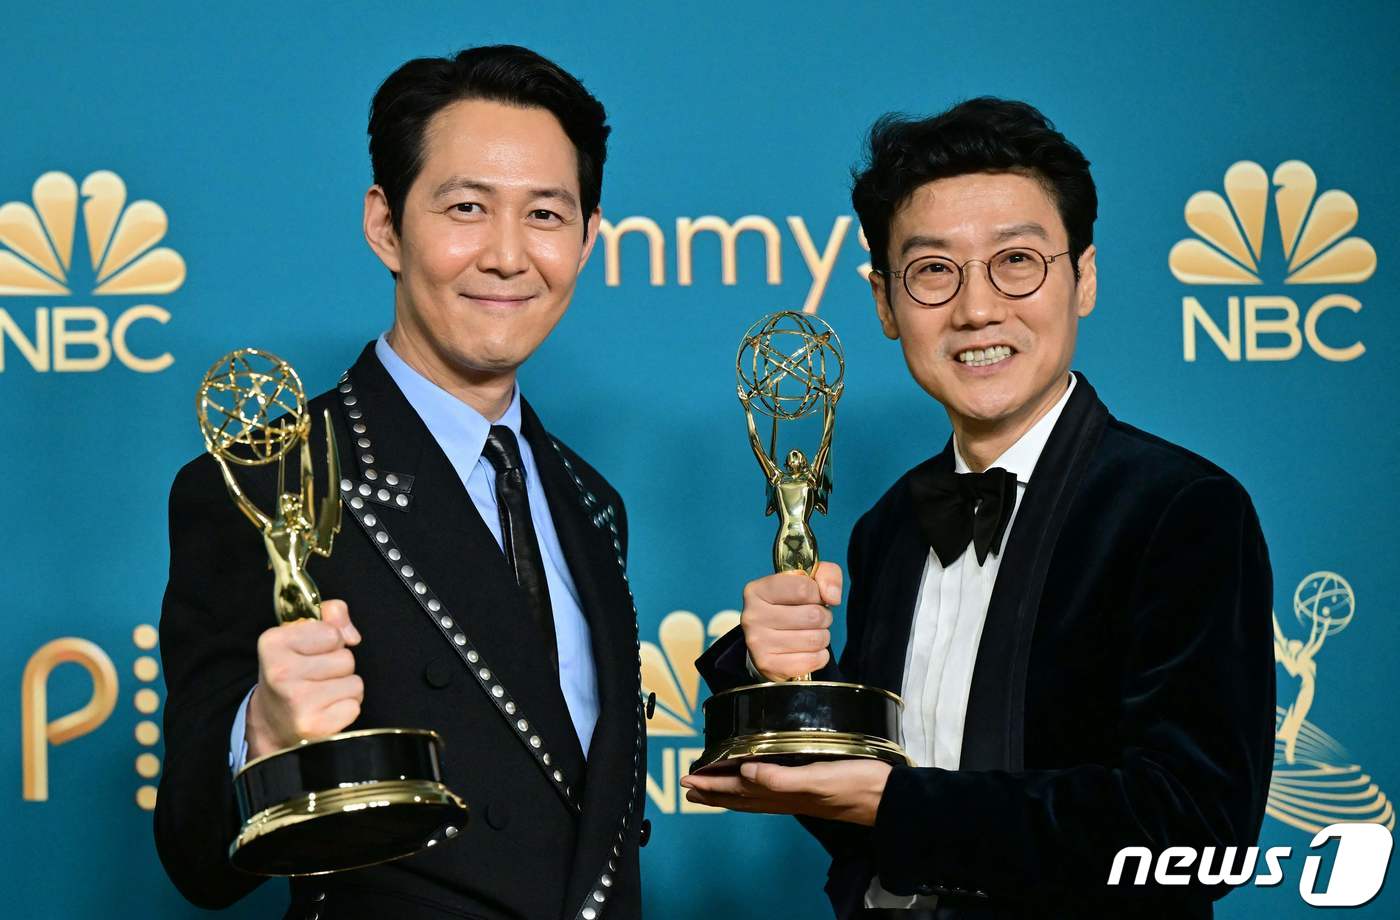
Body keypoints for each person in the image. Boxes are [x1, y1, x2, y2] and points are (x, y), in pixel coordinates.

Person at [684, 98, 1274, 919]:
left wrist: (897, 804)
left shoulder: (1181, 511)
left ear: (1084, 278)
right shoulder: (889, 526)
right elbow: (869, 815)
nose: (977, 309)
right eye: (933, 270)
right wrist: (771, 678)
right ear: (885, 303)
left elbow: (1196, 830)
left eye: (1016, 261)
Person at [155, 45, 646, 920]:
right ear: (385, 225)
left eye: (545, 214)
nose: (508, 255)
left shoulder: (592, 501)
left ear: (587, 239)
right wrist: (260, 732)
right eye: (466, 208)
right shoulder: (262, 483)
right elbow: (194, 855)